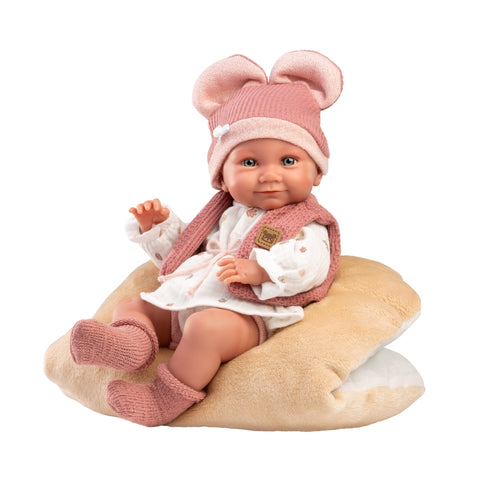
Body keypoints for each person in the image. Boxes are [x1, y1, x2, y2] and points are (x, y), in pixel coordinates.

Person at [70, 50, 343, 426]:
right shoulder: (224, 213)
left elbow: (310, 263)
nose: (269, 175)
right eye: (249, 162)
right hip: (189, 298)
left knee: (206, 328)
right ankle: (132, 344)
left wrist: (261, 270)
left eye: (288, 161)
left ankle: (165, 398)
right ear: (222, 178)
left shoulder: (305, 222)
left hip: (246, 316)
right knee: (134, 303)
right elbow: (186, 258)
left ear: (317, 172)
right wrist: (159, 228)